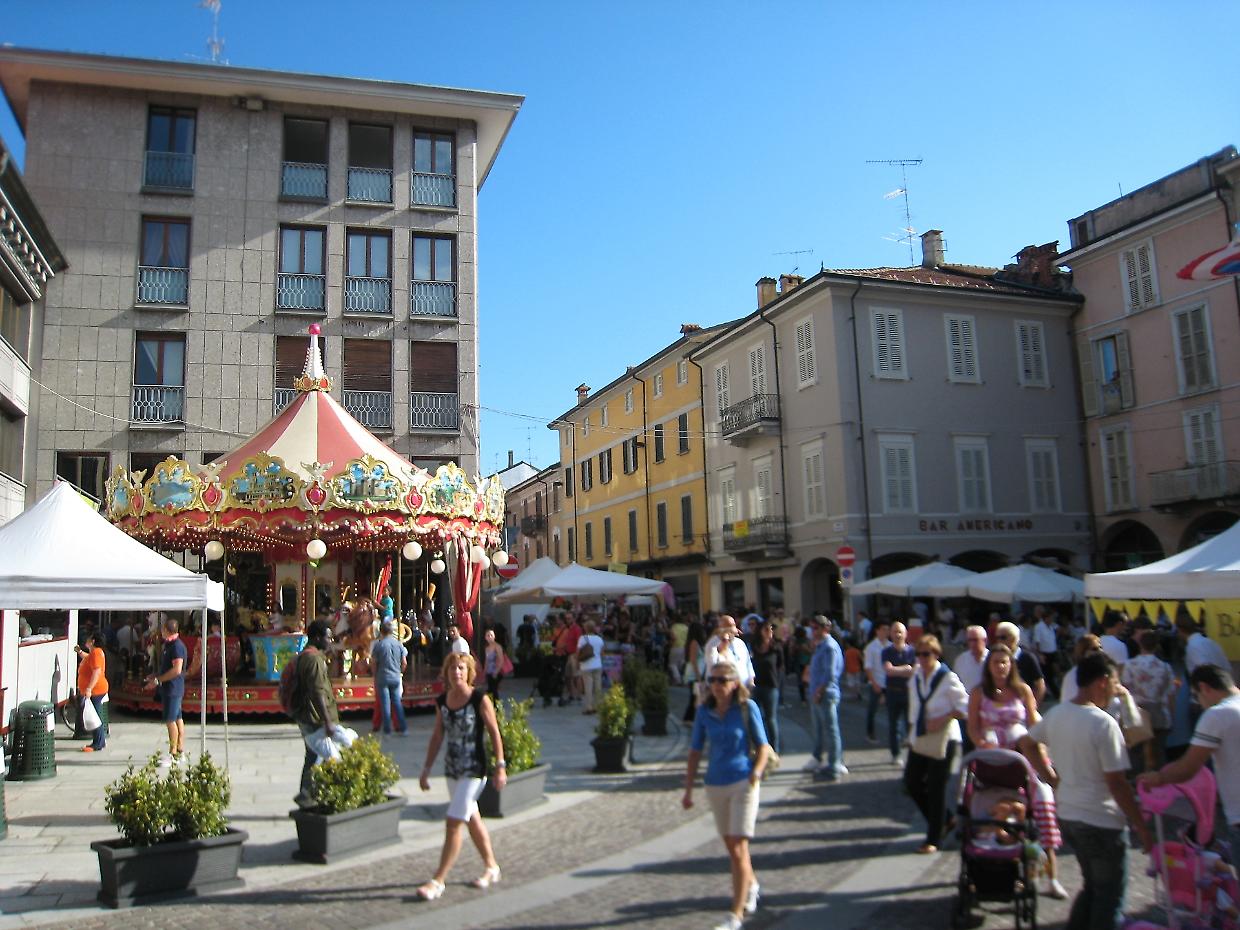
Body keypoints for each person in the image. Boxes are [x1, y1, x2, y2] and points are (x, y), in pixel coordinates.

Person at [1016, 652, 1153, 930]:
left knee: (1092, 888)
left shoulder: (1057, 713)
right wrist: (1142, 827)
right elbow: (1117, 783)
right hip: (1101, 820)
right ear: (1102, 682)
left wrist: (1052, 778)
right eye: (1115, 684)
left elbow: (1027, 743)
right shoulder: (1103, 723)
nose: (1116, 691)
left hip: (1069, 814)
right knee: (1108, 897)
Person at [966, 643, 1067, 898]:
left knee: (1042, 802)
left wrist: (1042, 750)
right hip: (992, 758)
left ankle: (1051, 875)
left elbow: (1034, 723)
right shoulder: (979, 692)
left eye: (1004, 662)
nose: (1000, 667)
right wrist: (981, 743)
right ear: (988, 667)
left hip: (1022, 756)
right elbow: (973, 728)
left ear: (1011, 665)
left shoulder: (1022, 691)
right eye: (995, 662)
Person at [682, 662, 772, 930]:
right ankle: (752, 884)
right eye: (713, 680)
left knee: (738, 847)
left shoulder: (746, 708)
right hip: (715, 784)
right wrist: (688, 790)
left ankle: (735, 915)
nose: (717, 685)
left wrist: (756, 773)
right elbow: (695, 752)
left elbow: (764, 746)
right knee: (732, 849)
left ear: (734, 683)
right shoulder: (704, 712)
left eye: (722, 680)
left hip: (743, 782)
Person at [416, 653, 507, 901]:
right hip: (452, 769)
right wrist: (426, 769)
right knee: (471, 818)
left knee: (454, 821)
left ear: (469, 672)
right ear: (446, 673)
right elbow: (437, 736)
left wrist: (500, 766)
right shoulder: (443, 701)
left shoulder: (479, 699)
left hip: (474, 769)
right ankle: (491, 866)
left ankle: (438, 880)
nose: (456, 672)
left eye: (461, 668)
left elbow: (494, 732)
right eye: (452, 669)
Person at [1138, 664, 1239, 857]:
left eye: (1196, 696)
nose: (1199, 703)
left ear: (1204, 688)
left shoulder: (1217, 715)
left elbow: (1189, 767)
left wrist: (1158, 778)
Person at [903, 635, 968, 854]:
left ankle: (933, 839)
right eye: (919, 654)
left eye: (926, 654)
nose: (921, 659)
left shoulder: (947, 678)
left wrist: (945, 716)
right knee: (911, 783)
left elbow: (965, 706)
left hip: (944, 739)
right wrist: (911, 734)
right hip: (920, 737)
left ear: (936, 654)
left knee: (936, 787)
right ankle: (947, 819)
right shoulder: (916, 676)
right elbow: (913, 707)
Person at [291, 621, 338, 808]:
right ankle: (311, 792)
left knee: (313, 755)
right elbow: (318, 692)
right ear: (317, 637)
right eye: (328, 636)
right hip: (314, 717)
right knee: (323, 755)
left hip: (307, 714)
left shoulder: (307, 656)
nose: (330, 640)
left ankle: (308, 792)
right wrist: (327, 720)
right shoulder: (314, 660)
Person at [1121, 630, 1176, 771]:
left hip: (1136, 713)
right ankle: (1160, 785)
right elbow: (1170, 695)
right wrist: (1172, 716)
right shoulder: (1165, 667)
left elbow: (1125, 690)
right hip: (1159, 713)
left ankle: (1137, 784)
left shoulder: (1129, 665)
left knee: (1136, 754)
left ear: (1140, 644)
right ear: (1156, 645)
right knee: (1158, 752)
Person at [804, 618, 846, 779]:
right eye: (812, 628)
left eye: (815, 628)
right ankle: (820, 757)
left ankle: (834, 764)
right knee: (821, 729)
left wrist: (818, 691)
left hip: (825, 694)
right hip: (818, 693)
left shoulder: (829, 647)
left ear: (825, 629)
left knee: (831, 729)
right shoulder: (821, 645)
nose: (813, 632)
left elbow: (830, 674)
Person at [143, 617, 187, 764]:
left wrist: (158, 680)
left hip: (172, 688)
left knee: (170, 720)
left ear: (167, 631)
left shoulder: (176, 647)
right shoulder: (169, 645)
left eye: (162, 630)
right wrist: (155, 675)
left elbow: (176, 669)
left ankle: (173, 753)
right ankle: (180, 750)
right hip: (171, 687)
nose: (160, 632)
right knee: (177, 718)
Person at [881, 621, 916, 765]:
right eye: (895, 632)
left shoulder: (912, 651)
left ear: (906, 634)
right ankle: (895, 754)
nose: (898, 635)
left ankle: (913, 755)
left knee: (911, 724)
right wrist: (906, 669)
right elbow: (888, 670)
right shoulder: (886, 651)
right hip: (893, 693)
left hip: (908, 692)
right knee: (893, 725)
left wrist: (898, 670)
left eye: (900, 631)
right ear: (890, 634)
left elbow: (914, 671)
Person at [748, 621, 783, 754]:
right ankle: (758, 747)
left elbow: (780, 666)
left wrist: (779, 682)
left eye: (771, 629)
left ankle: (774, 749)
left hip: (771, 686)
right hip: (755, 686)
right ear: (760, 631)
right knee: (755, 717)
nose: (770, 632)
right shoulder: (753, 646)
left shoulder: (776, 647)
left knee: (771, 719)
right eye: (767, 629)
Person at [370, 619, 408, 735]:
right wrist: (400, 672)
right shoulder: (399, 644)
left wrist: (374, 675)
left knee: (385, 703)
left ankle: (387, 730)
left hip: (382, 676)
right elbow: (404, 662)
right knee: (397, 702)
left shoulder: (378, 645)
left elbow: (374, 663)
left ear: (381, 631)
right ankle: (403, 728)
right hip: (395, 676)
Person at [993, 621, 1045, 704]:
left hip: (1024, 705)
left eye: (1002, 637)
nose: (999, 641)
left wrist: (1034, 706)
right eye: (997, 637)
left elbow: (1040, 684)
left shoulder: (1027, 657)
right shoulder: (994, 657)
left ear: (1013, 638)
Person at [75, 631, 110, 753]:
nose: (87, 640)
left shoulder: (96, 653)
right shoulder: (95, 653)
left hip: (96, 690)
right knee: (95, 714)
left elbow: (96, 672)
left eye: (89, 638)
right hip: (96, 689)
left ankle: (98, 743)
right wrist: (80, 652)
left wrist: (89, 688)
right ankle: (99, 741)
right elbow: (87, 658)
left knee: (95, 716)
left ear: (93, 641)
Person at [703, 616, 756, 692]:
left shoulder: (740, 643)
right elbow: (712, 665)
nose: (732, 628)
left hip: (744, 689)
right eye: (727, 626)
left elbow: (748, 664)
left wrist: (751, 682)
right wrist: (723, 640)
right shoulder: (713, 644)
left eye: (733, 625)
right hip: (724, 690)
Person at [863, 619, 890, 743]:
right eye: (883, 629)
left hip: (890, 683)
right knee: (872, 710)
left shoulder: (891, 646)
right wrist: (873, 683)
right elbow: (868, 667)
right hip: (877, 681)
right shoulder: (871, 647)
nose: (886, 632)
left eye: (887, 629)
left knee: (893, 711)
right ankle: (870, 733)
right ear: (877, 631)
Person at [577, 620, 604, 714]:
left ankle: (589, 707)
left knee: (588, 687)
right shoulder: (599, 639)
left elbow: (578, 651)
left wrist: (577, 661)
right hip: (598, 664)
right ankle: (599, 705)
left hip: (586, 665)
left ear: (586, 628)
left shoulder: (583, 638)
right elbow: (601, 652)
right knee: (598, 686)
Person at [483, 628, 506, 697]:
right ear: (485, 637)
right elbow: (486, 660)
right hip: (489, 671)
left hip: (497, 671)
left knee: (493, 690)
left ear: (494, 636)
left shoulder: (497, 646)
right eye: (488, 635)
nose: (489, 637)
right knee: (490, 690)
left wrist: (496, 672)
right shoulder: (487, 648)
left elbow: (501, 660)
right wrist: (484, 671)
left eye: (491, 635)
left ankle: (497, 706)